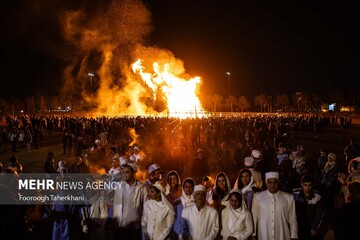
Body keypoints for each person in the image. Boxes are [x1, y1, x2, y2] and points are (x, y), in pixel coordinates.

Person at [251, 171, 298, 240]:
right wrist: (253, 234)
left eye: (275, 182)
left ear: (278, 182)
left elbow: (292, 218)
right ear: (266, 183)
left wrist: (294, 236)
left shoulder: (288, 198)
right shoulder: (258, 197)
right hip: (264, 234)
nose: (272, 185)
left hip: (283, 235)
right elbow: (254, 217)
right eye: (270, 182)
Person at [113, 164, 148, 240]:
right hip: (121, 227)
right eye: (123, 172)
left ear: (133, 173)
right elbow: (116, 205)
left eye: (127, 172)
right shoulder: (119, 187)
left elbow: (146, 208)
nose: (124, 175)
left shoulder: (142, 188)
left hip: (135, 228)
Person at [292, 175, 324, 240]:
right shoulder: (294, 195)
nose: (307, 188)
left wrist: (314, 228)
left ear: (312, 185)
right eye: (305, 185)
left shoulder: (317, 196)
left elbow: (319, 214)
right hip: (296, 227)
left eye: (309, 185)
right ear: (301, 184)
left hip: (310, 227)